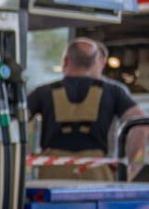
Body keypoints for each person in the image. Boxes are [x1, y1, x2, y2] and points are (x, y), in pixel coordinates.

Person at [28, 38, 148, 180]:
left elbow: (15, 122)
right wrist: (131, 165)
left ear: (66, 61)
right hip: (97, 171)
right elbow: (141, 124)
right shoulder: (113, 92)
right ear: (98, 63)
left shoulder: (43, 92)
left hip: (52, 170)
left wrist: (30, 156)